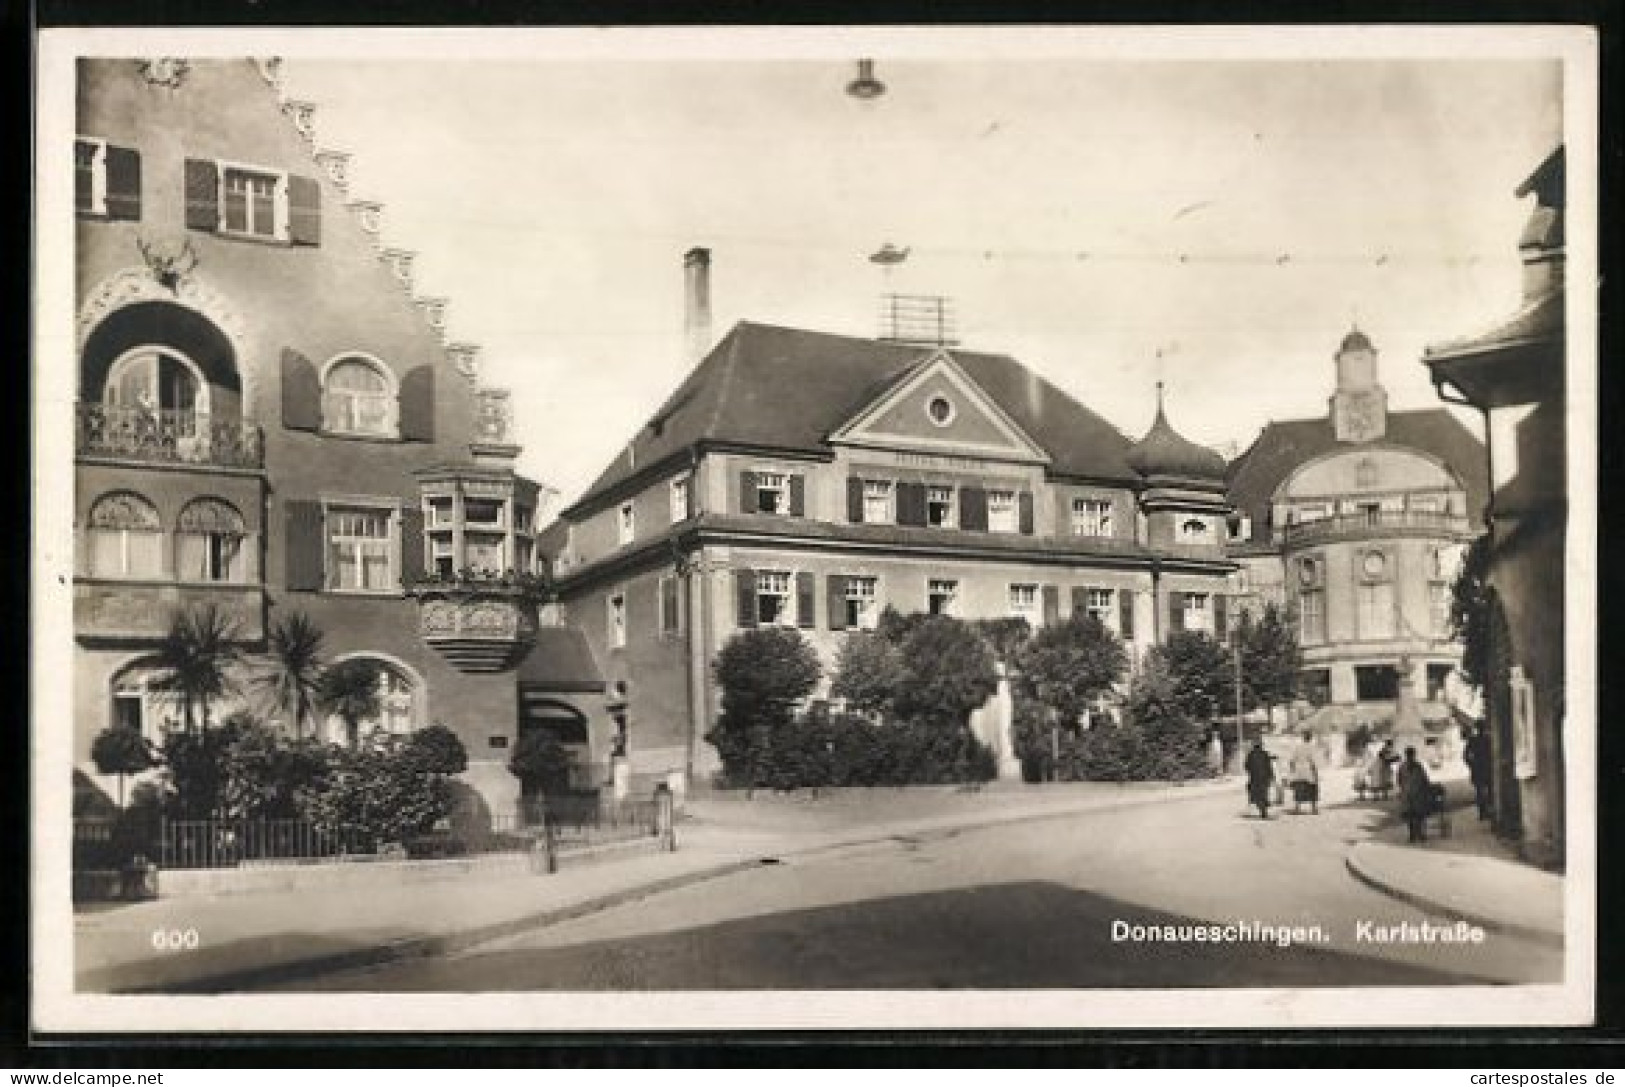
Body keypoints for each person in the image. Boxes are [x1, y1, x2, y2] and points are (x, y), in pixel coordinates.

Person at [1397, 745, 1433, 843]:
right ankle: (1413, 834)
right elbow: (1399, 781)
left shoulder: (1417, 766)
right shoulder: (1405, 767)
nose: (1410, 757)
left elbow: (1424, 779)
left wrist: (1426, 789)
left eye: (1411, 755)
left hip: (1416, 794)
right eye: (1409, 755)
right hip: (1409, 794)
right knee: (1410, 816)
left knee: (1419, 815)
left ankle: (1419, 834)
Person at [1286, 729, 1321, 814]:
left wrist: (1292, 770)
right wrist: (1316, 772)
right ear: (1310, 738)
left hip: (1299, 771)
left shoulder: (1298, 747)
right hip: (1308, 770)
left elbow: (1292, 761)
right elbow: (1313, 761)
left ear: (1303, 737)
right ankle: (1314, 808)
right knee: (1312, 789)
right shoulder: (1312, 747)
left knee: (1298, 789)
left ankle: (1297, 808)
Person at [1464, 722, 1492, 821]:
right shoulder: (1487, 739)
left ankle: (1483, 812)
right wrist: (1471, 764)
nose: (1481, 729)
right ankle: (1485, 811)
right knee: (1486, 791)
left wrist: (1471, 764)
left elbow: (1466, 756)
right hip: (1485, 768)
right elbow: (1466, 756)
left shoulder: (1474, 740)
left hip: (1480, 768)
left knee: (1481, 791)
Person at [1244, 739, 1275, 820]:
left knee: (1256, 793)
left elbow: (1246, 766)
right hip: (1264, 778)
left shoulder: (1250, 754)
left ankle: (1262, 809)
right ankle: (1264, 810)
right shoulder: (1265, 754)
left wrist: (1251, 772)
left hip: (1255, 778)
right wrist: (1271, 776)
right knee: (1264, 793)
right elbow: (1269, 766)